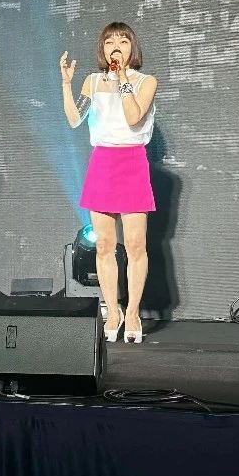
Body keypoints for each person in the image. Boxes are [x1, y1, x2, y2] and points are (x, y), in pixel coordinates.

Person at [61, 22, 158, 343]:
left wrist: (123, 78)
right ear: (102, 49)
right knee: (104, 245)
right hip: (102, 163)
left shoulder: (146, 82)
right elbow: (75, 119)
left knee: (135, 245)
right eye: (109, 42)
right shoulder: (93, 81)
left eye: (123, 41)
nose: (115, 46)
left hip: (132, 162)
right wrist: (66, 85)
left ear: (132, 47)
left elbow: (133, 117)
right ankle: (112, 311)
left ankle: (133, 313)